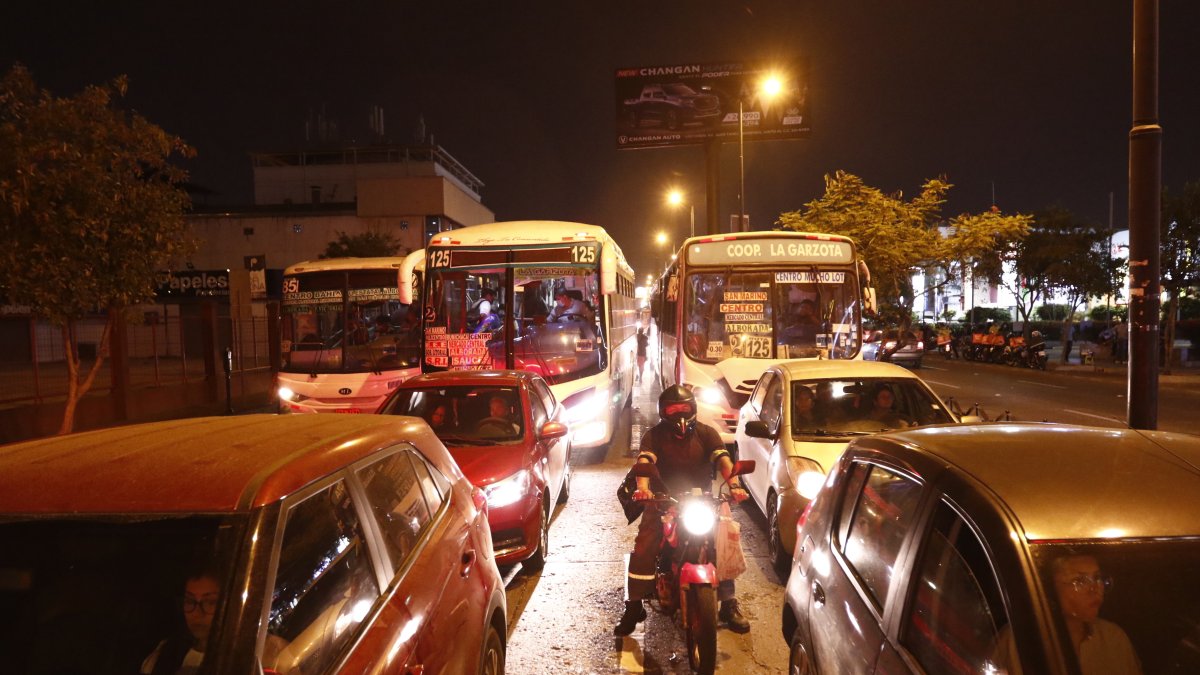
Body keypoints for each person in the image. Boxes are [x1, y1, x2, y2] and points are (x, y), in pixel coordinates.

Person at [613, 386, 751, 637]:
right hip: (664, 500)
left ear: (694, 409)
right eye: (672, 410)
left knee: (725, 542)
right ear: (663, 413)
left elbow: (723, 460)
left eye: (684, 409)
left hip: (703, 499)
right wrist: (643, 490)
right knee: (645, 546)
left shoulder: (707, 433)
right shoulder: (654, 436)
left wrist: (734, 485)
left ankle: (729, 603)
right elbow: (644, 463)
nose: (679, 415)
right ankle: (633, 606)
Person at [994, 551, 1141, 674]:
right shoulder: (1017, 641)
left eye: (1097, 578)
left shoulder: (1113, 639)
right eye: (1079, 581)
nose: (1094, 590)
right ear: (1051, 589)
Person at [141, 566, 221, 675]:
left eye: (210, 602)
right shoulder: (167, 653)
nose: (197, 613)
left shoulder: (236, 660)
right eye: (190, 601)